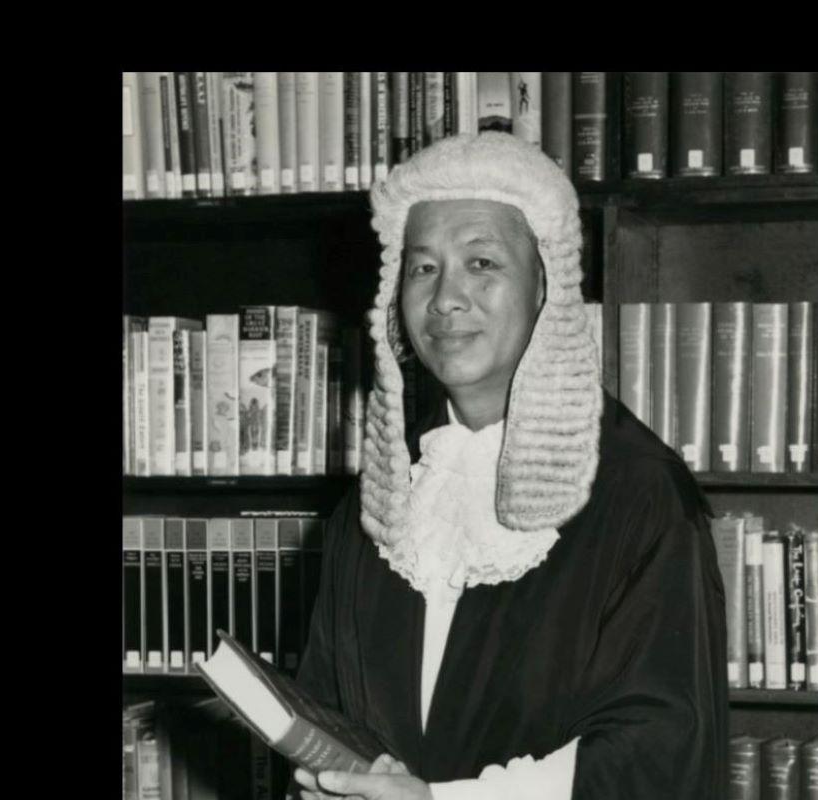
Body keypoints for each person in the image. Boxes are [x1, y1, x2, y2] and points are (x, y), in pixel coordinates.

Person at [291, 133, 727, 799]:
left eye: (483, 263)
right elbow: (332, 707)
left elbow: (661, 747)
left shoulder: (640, 492)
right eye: (423, 268)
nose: (445, 301)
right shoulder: (379, 499)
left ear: (546, 287)